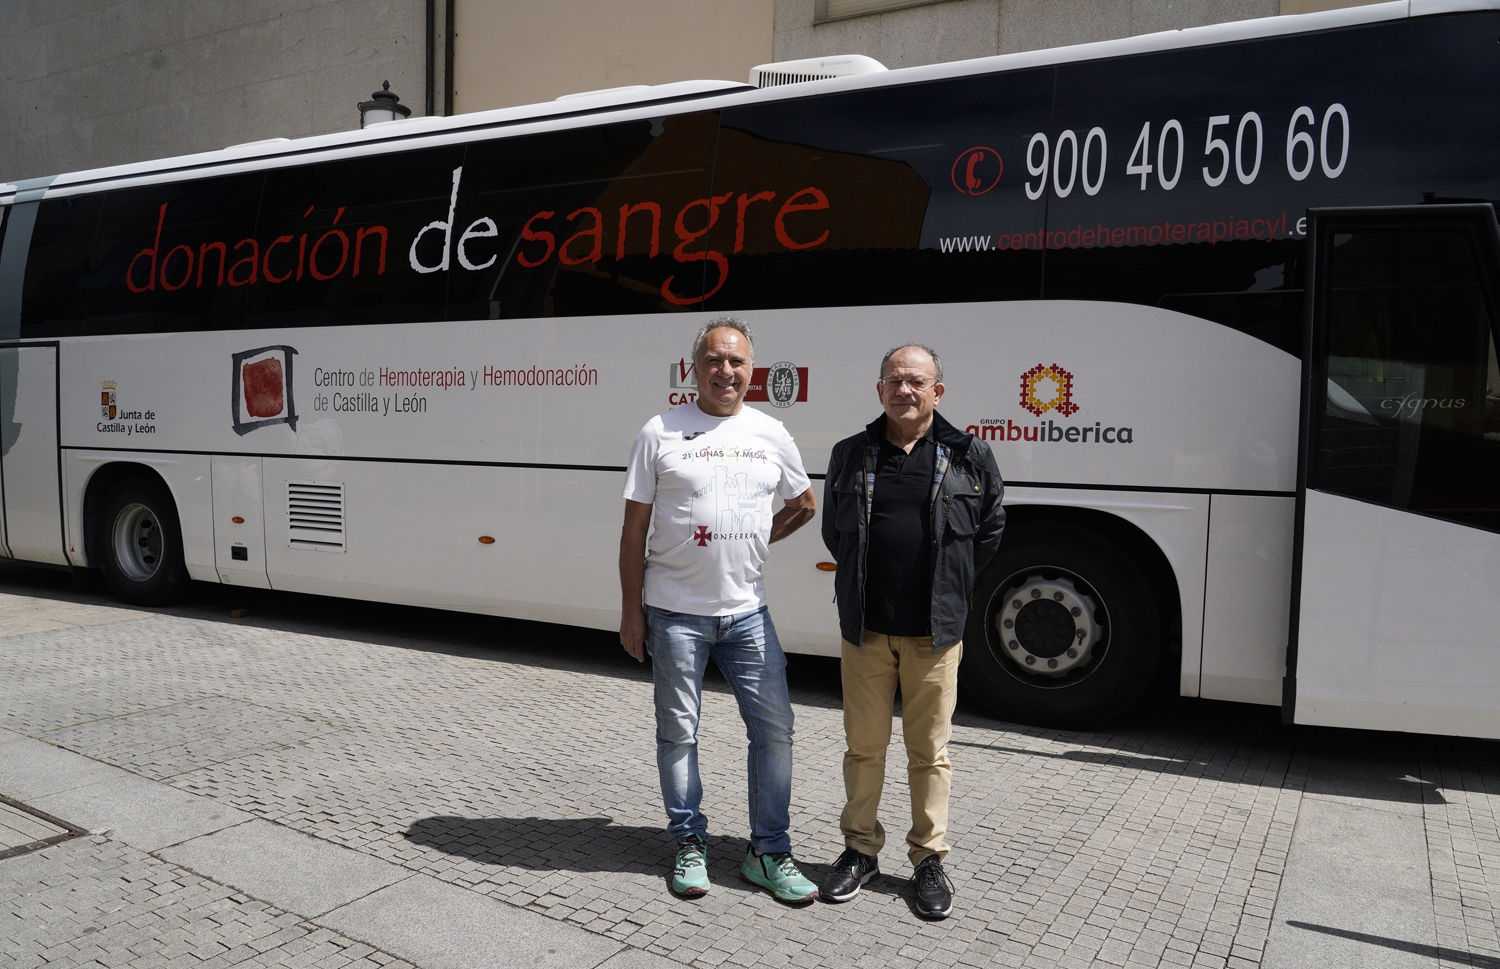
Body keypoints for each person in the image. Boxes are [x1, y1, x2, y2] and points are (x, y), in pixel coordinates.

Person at [619, 317, 820, 904]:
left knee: (775, 730)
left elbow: (804, 505)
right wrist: (632, 611)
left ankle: (769, 852)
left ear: (751, 370)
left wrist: (755, 539)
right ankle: (688, 842)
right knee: (679, 732)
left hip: (747, 613)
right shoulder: (660, 432)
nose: (725, 371)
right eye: (713, 360)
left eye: (736, 361)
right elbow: (633, 533)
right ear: (694, 369)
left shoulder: (771, 432)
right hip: (673, 612)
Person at [818, 343, 1005, 920]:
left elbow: (991, 529)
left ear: (937, 392)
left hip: (935, 635)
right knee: (864, 748)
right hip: (866, 632)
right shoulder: (851, 454)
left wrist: (952, 587)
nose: (905, 390)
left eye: (916, 381)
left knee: (929, 753)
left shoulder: (970, 455)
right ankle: (859, 850)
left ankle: (928, 859)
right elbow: (835, 534)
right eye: (894, 380)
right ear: (880, 391)